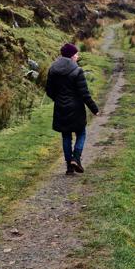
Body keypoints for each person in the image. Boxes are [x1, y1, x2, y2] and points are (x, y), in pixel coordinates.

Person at [45, 43, 99, 175]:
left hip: (60, 108)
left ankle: (69, 167)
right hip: (76, 108)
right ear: (71, 56)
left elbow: (49, 90)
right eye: (76, 54)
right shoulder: (77, 71)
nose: (77, 56)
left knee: (66, 136)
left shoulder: (52, 69)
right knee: (81, 133)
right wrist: (94, 109)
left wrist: (58, 99)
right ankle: (76, 158)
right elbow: (84, 94)